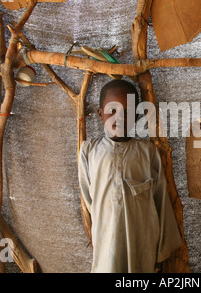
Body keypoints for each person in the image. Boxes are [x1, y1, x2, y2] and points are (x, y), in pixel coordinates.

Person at [78, 79, 182, 273]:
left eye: (128, 111)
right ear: (100, 114)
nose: (120, 118)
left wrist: (161, 252)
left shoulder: (147, 152)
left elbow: (160, 200)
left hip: (142, 240)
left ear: (137, 115)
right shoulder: (89, 151)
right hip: (107, 239)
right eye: (113, 111)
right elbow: (89, 199)